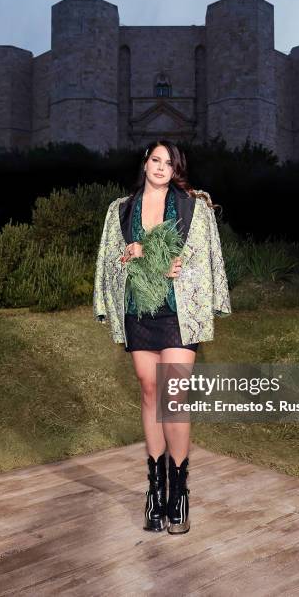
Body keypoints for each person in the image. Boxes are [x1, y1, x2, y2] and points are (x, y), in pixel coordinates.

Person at [93, 140, 232, 534]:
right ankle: (155, 491)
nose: (161, 167)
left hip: (177, 313)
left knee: (172, 396)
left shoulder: (194, 208)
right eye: (156, 159)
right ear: (145, 163)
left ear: (176, 169)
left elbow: (206, 258)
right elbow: (110, 262)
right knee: (150, 391)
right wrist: (133, 255)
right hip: (140, 311)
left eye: (169, 163)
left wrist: (180, 266)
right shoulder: (120, 210)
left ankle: (179, 490)